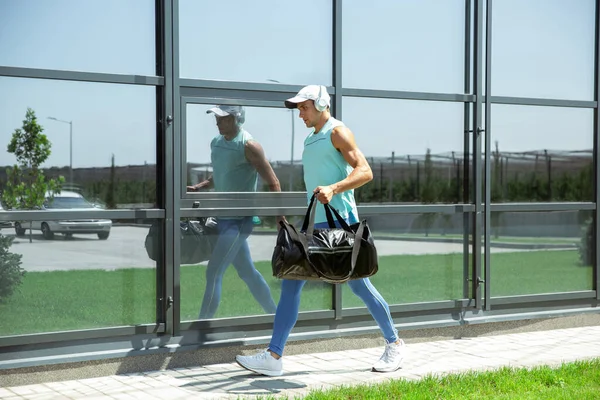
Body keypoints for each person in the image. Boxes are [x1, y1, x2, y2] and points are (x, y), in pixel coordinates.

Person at [235, 85, 407, 376]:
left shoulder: (338, 132)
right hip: (315, 225)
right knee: (292, 280)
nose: (300, 113)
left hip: (343, 223)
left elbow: (365, 171)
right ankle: (274, 356)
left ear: (320, 103)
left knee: (358, 284)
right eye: (298, 108)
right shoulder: (310, 139)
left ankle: (395, 343)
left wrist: (334, 188)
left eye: (304, 107)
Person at [187, 105, 282, 319]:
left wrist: (280, 217)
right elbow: (221, 174)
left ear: (235, 119)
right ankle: (275, 316)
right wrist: (200, 186)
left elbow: (274, 182)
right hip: (222, 217)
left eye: (222, 118)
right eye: (217, 118)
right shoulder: (216, 143)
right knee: (247, 272)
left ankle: (201, 328)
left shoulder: (249, 146)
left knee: (214, 271)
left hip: (240, 220)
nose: (217, 122)